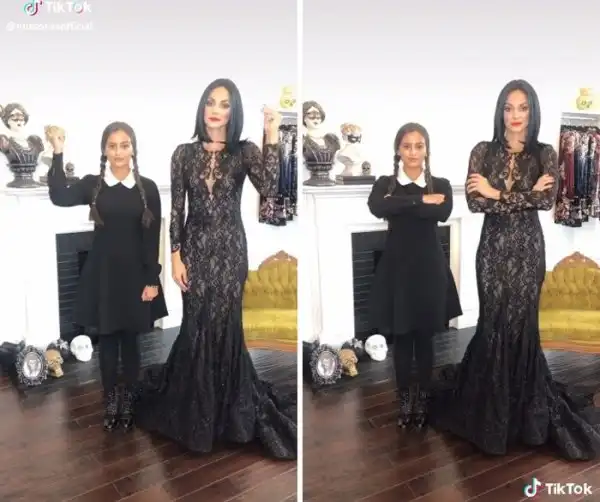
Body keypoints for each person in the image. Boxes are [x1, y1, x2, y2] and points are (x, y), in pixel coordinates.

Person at [429, 79, 600, 460]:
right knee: (493, 322)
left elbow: (546, 200)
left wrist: (496, 193)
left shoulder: (545, 154)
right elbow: (475, 204)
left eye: (522, 108)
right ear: (500, 111)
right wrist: (518, 195)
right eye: (508, 108)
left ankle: (525, 415)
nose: (515, 115)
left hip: (527, 252)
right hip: (492, 250)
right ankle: (489, 412)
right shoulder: (482, 151)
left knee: (522, 325)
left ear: (532, 111)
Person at [134, 78, 297, 460]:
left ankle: (229, 417)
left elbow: (270, 188)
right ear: (202, 106)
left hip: (230, 251)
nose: (216, 110)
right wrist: (175, 255)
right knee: (196, 325)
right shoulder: (183, 154)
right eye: (211, 102)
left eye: (224, 104)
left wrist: (271, 133)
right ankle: (196, 413)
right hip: (194, 248)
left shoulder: (244, 151)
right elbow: (177, 210)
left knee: (225, 326)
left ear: (233, 111)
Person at [47, 122, 168, 433]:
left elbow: (152, 238)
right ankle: (111, 399)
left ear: (133, 148)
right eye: (112, 146)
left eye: (124, 145)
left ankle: (128, 399)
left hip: (136, 276)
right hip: (104, 275)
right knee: (109, 340)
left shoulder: (148, 189)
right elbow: (59, 195)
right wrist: (58, 152)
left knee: (130, 340)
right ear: (104, 150)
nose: (118, 152)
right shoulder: (94, 185)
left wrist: (152, 280)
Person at [367, 123, 462, 430]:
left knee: (424, 336)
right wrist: (420, 201)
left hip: (429, 269)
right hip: (397, 270)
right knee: (402, 337)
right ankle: (404, 398)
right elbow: (376, 206)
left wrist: (401, 206)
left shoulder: (441, 184)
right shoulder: (385, 184)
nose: (413, 152)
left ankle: (422, 397)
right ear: (398, 150)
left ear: (426, 150)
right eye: (407, 146)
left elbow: (442, 212)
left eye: (419, 146)